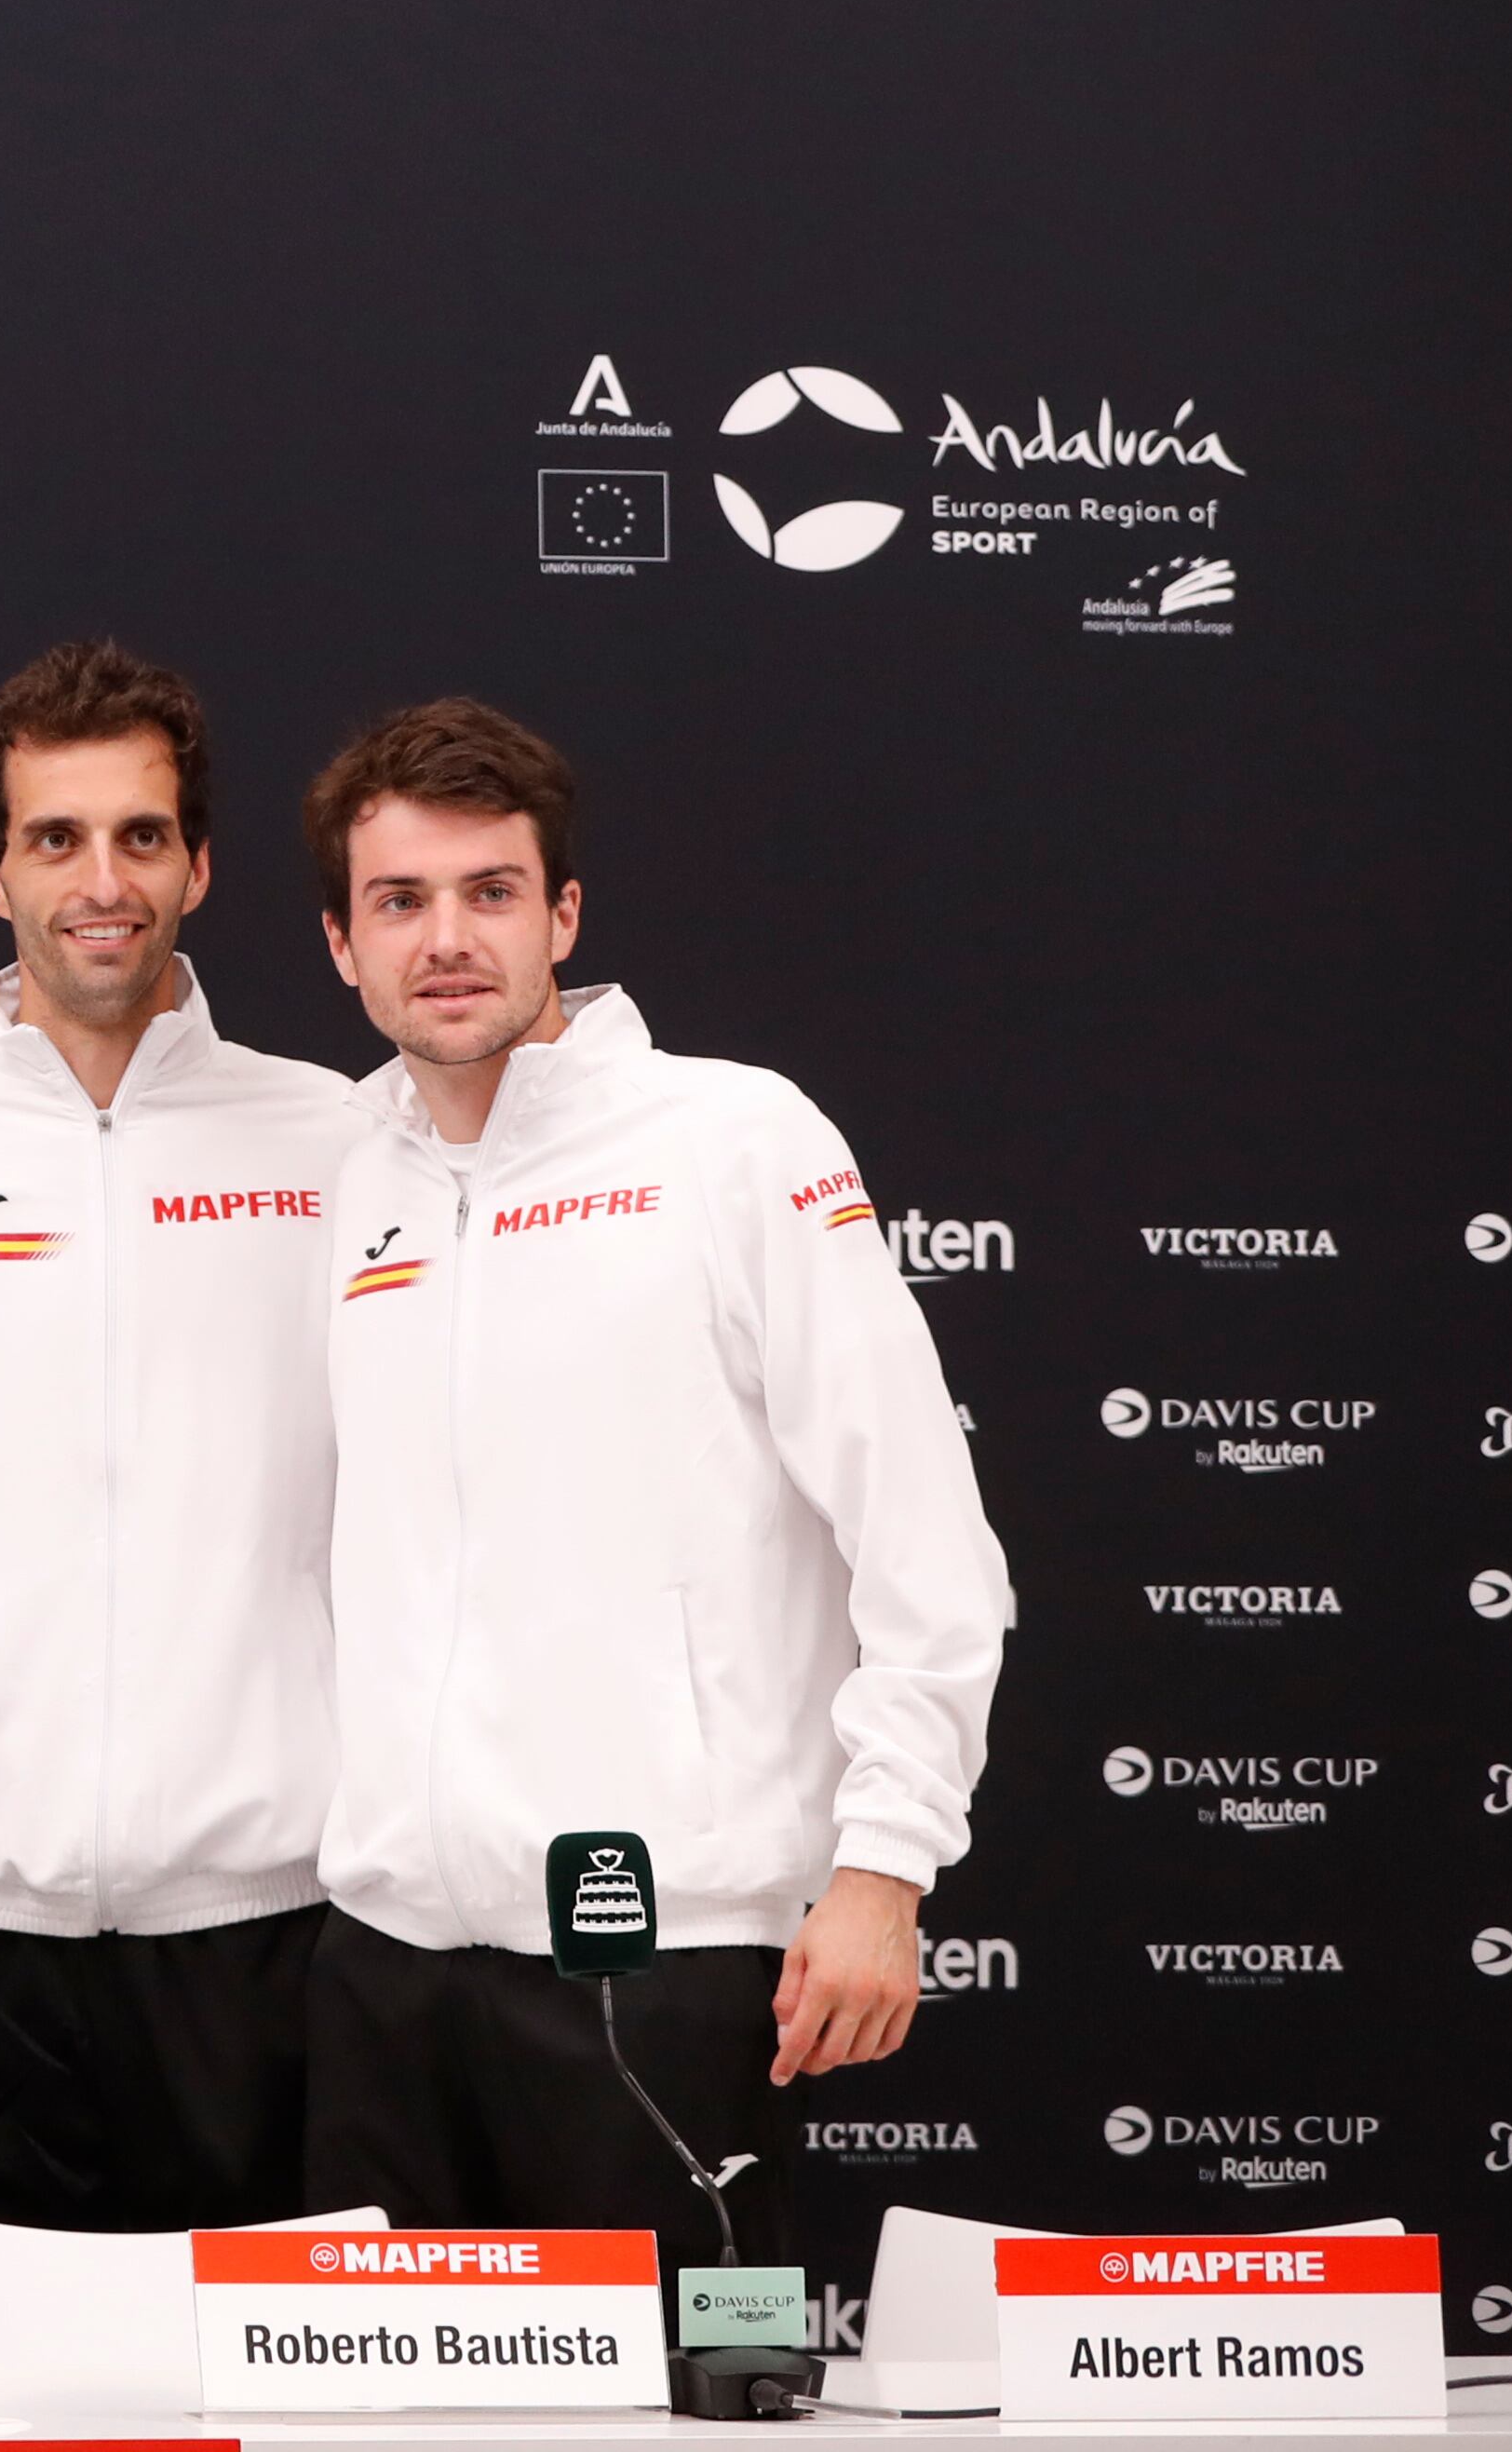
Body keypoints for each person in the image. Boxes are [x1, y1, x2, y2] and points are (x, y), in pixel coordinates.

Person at [297, 698, 1011, 2232]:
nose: (447, 940)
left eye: (490, 892)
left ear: (563, 911)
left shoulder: (735, 1140)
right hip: (385, 1966)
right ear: (343, 947)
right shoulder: (352, 1180)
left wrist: (885, 1866)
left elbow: (926, 1543)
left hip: (666, 1956)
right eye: (398, 902)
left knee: (684, 2409)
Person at [0, 641, 355, 2232]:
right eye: (54, 839)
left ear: (198, 862)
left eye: (138, 837)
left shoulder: (334, 1129)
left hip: (265, 1923)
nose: (99, 881)